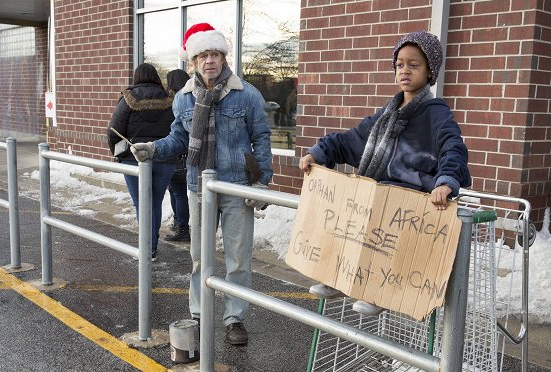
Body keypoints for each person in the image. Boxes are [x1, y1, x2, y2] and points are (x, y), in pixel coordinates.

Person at [298, 31, 472, 316]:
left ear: (430, 71)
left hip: (408, 202)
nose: (405, 70)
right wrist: (318, 152)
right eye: (400, 64)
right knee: (354, 209)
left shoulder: (435, 114)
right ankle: (338, 275)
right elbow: (351, 140)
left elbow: (453, 147)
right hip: (377, 194)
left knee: (383, 228)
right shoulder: (386, 116)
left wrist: (446, 181)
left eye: (414, 64)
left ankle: (379, 289)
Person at [130, 23, 273, 346]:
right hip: (198, 186)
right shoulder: (183, 99)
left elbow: (261, 138)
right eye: (202, 55)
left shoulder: (246, 94)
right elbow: (179, 138)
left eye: (215, 54)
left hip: (236, 187)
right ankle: (198, 312)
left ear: (223, 58)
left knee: (238, 257)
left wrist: (261, 181)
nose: (209, 61)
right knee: (199, 256)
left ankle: (234, 317)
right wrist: (152, 149)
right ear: (192, 63)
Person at [107, 62, 176, 261]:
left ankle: (147, 247)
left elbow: (113, 130)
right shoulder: (170, 99)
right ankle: (152, 245)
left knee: (141, 204)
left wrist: (118, 153)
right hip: (164, 158)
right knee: (155, 202)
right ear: (156, 77)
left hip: (133, 158)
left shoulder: (127, 98)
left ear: (137, 77)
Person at [164, 69, 191, 242]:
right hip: (186, 152)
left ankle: (182, 227)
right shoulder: (190, 99)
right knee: (176, 191)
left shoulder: (174, 101)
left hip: (176, 154)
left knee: (177, 191)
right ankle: (179, 223)